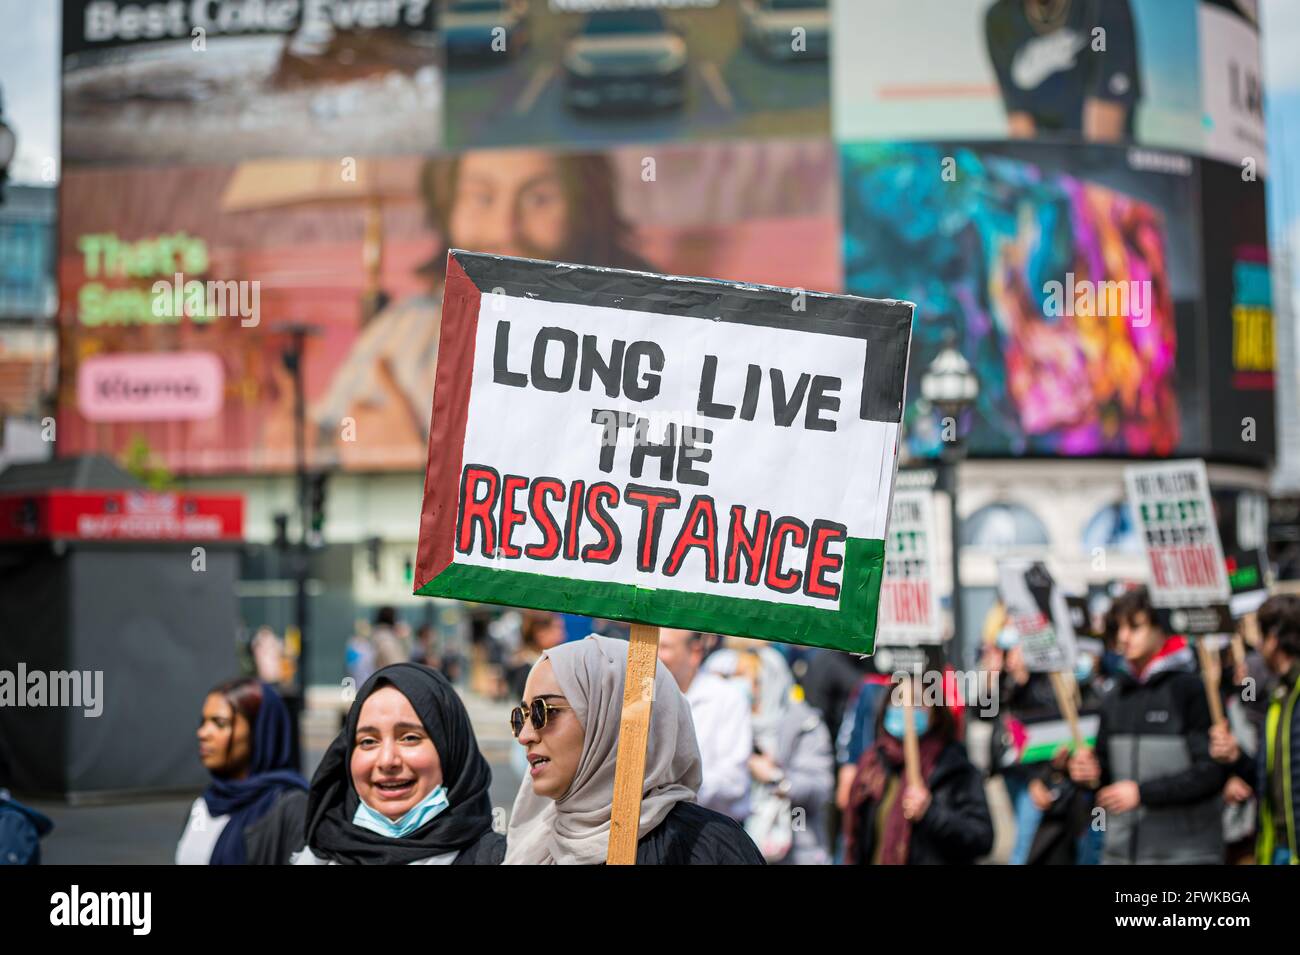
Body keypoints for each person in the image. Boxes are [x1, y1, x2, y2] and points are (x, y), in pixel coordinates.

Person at [503, 635, 763, 865]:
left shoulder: (706, 847)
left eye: (544, 711)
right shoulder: (533, 847)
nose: (525, 735)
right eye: (521, 716)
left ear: (612, 716)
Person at [255, 663, 503, 865]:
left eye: (410, 738)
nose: (387, 761)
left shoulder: (499, 859)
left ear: (452, 749)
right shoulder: (318, 851)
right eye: (368, 741)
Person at [1067, 586, 1228, 864]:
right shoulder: (1115, 695)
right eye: (1119, 628)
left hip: (1185, 855)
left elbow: (1212, 773)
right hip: (1121, 853)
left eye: (1135, 627)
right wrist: (1083, 771)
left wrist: (1143, 793)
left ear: (1161, 627)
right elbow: (1104, 775)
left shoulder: (1192, 690)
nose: (1123, 637)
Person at [704, 644, 834, 864]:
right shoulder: (720, 725)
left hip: (795, 850)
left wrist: (777, 779)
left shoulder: (804, 723)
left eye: (745, 678)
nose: (738, 687)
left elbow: (820, 788)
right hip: (729, 847)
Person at [842, 679, 994, 865]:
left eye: (915, 700)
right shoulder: (873, 764)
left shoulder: (954, 768)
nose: (906, 707)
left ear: (935, 712)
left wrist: (931, 812)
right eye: (899, 698)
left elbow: (982, 838)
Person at [176, 678, 307, 865]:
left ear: (260, 731)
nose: (203, 733)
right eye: (203, 722)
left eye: (219, 723)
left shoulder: (293, 807)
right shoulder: (206, 803)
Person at [1210, 594, 1300, 865]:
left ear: (1273, 639)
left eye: (1260, 636)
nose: (1258, 645)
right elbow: (1272, 777)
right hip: (1278, 845)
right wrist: (1236, 757)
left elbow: (1247, 700)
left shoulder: (1270, 686)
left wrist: (1245, 684)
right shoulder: (1279, 698)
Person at [984, 0, 1140, 142]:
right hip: (1045, 164)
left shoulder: (1100, 6)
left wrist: (1083, 168)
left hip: (1099, 164)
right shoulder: (999, 17)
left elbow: (1103, 136)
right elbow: (1020, 122)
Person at [656, 629, 753, 822]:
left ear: (695, 652)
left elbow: (733, 781)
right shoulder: (643, 694)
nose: (654, 653)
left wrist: (667, 789)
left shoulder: (726, 698)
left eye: (664, 647)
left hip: (706, 828)